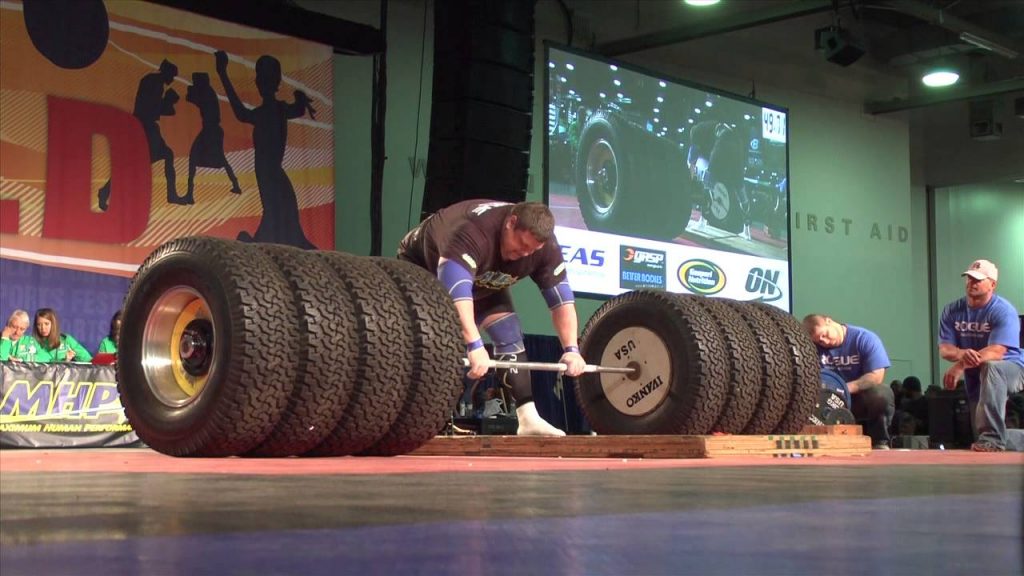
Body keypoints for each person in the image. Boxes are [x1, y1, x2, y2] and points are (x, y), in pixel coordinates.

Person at [398, 200, 585, 436]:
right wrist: (474, 345)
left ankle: (528, 419)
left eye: (531, 250)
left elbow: (561, 301)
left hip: (481, 277)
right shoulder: (472, 232)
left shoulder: (544, 248)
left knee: (508, 331)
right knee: (439, 335)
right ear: (511, 222)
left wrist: (571, 349)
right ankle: (420, 417)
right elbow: (456, 292)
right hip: (422, 264)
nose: (523, 254)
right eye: (521, 245)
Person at [938, 259, 1024, 452]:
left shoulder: (1003, 310)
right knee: (981, 436)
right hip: (976, 372)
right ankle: (997, 437)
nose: (972, 283)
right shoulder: (952, 311)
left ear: (992, 284)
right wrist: (962, 353)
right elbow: (945, 349)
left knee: (992, 367)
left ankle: (993, 438)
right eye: (969, 278)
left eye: (978, 280)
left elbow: (997, 351)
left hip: (1012, 366)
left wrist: (960, 365)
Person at [803, 314, 895, 449]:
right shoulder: (812, 348)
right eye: (819, 341)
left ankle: (879, 441)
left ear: (829, 321)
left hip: (858, 398)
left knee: (881, 394)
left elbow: (876, 376)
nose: (825, 341)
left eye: (825, 335)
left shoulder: (864, 339)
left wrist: (844, 389)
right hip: (827, 401)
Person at [14, 308, 92, 363]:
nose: (43, 328)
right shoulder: (31, 342)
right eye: (39, 325)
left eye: (46, 324)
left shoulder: (66, 340)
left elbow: (89, 361)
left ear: (53, 324)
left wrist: (68, 360)